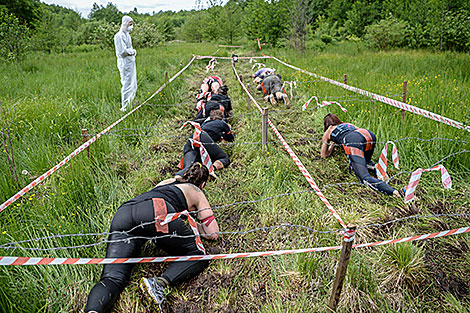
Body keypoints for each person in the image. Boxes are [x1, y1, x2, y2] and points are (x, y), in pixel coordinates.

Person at [84, 163, 219, 313]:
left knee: (112, 278)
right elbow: (212, 233)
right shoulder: (196, 191)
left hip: (124, 212)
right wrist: (196, 225)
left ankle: (93, 310)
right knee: (198, 256)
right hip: (156, 211)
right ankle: (159, 284)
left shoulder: (167, 182)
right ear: (203, 184)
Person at [320, 113, 403, 197]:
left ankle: (394, 192)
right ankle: (375, 167)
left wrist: (333, 144)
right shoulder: (347, 124)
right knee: (365, 162)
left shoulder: (328, 131)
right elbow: (358, 133)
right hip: (367, 134)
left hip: (352, 140)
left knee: (364, 178)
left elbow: (324, 154)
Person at [114, 15, 137, 112]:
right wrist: (132, 51)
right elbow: (122, 51)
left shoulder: (127, 35)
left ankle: (130, 104)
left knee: (133, 84)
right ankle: (125, 108)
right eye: (129, 24)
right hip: (125, 63)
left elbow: (129, 48)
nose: (131, 26)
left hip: (131, 62)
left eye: (132, 24)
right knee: (127, 84)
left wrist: (131, 52)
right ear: (125, 23)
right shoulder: (119, 36)